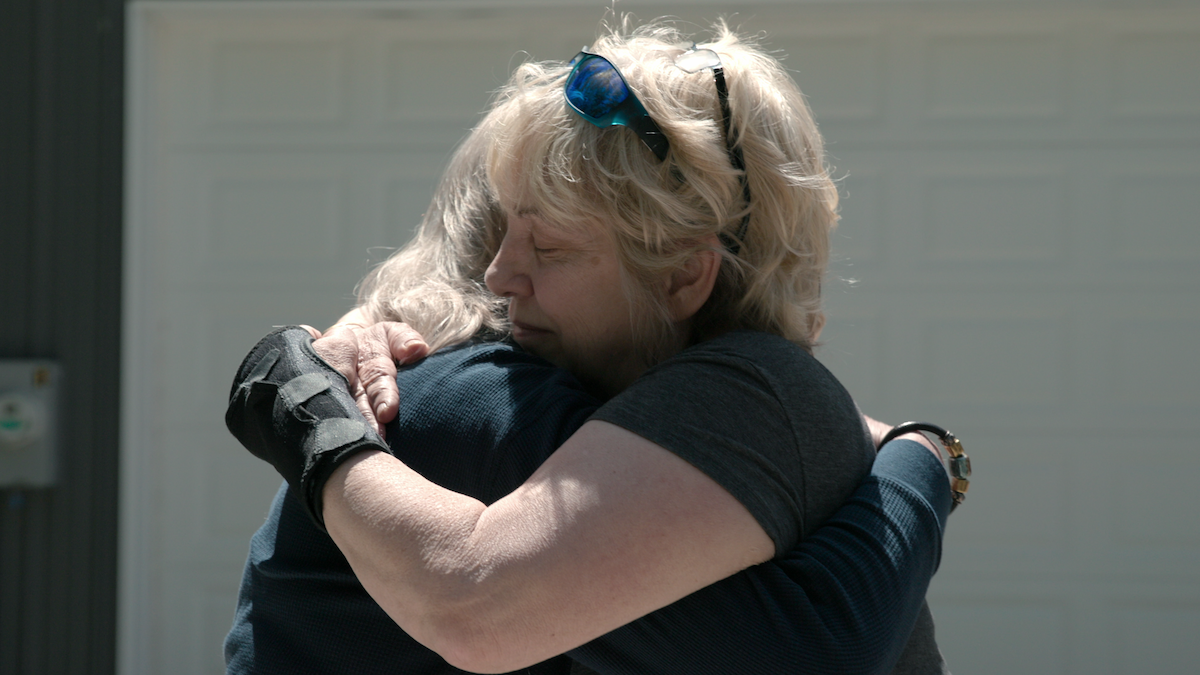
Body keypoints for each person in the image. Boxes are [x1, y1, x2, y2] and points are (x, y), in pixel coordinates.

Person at [225, 20, 955, 675]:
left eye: (548, 245)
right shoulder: (479, 397)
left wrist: (294, 389)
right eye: (507, 229)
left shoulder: (736, 400)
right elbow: (817, 647)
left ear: (682, 275)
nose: (498, 274)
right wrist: (926, 458)